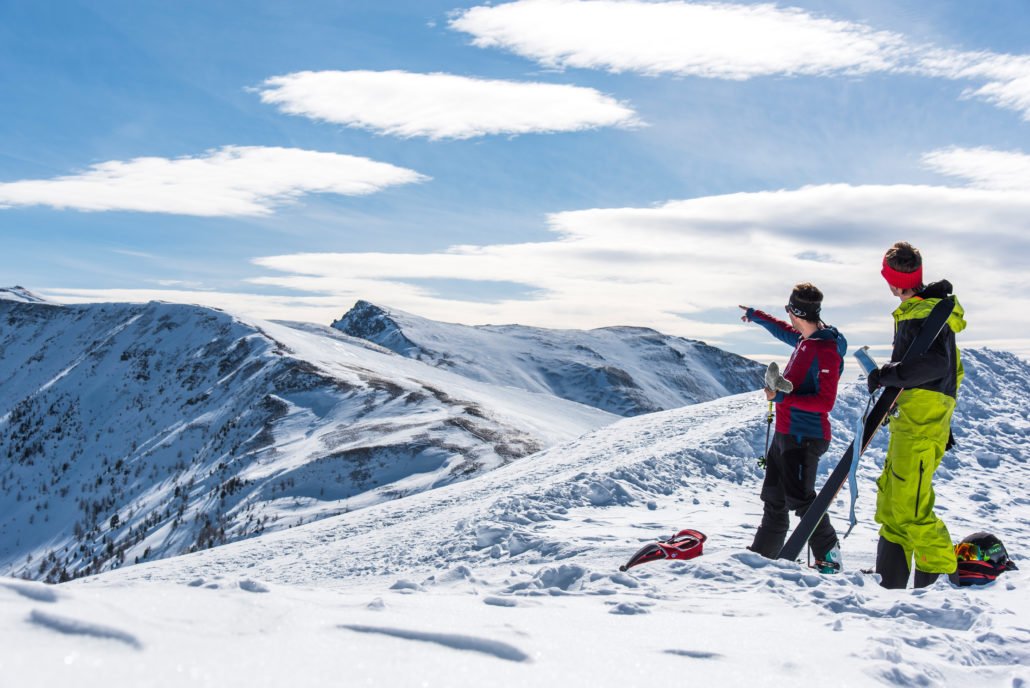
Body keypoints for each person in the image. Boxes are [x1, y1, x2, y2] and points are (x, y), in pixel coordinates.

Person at [866, 241, 966, 589]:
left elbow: (938, 365)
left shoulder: (926, 314)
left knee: (910, 509)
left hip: (920, 426)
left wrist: (890, 375)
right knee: (893, 506)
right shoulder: (920, 313)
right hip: (913, 422)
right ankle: (890, 586)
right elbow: (956, 370)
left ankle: (942, 586)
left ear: (892, 282)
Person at [739, 283, 847, 571]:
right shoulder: (806, 340)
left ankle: (830, 558)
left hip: (805, 435)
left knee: (801, 499)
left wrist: (783, 396)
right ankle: (762, 558)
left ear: (794, 312)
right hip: (786, 433)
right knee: (774, 498)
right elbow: (783, 331)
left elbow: (825, 402)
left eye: (788, 310)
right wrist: (756, 316)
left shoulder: (824, 349)